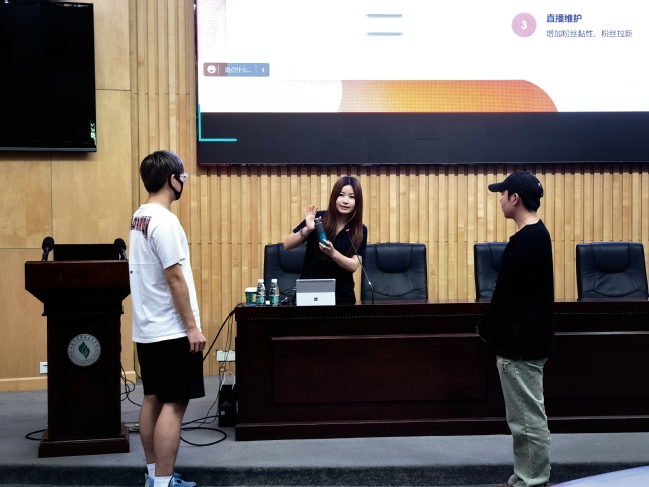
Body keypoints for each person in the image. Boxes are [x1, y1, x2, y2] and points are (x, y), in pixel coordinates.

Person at [129, 150, 206, 487]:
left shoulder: (139, 217)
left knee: (152, 398)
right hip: (171, 331)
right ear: (173, 180)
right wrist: (192, 327)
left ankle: (153, 476)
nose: (183, 182)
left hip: (147, 329)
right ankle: (163, 483)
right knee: (174, 404)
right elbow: (175, 278)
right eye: (183, 177)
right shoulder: (165, 221)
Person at [476, 171, 555, 487]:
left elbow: (507, 298)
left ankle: (533, 480)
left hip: (521, 345)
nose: (500, 200)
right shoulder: (536, 235)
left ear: (515, 198)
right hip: (527, 340)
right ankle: (525, 475)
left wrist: (485, 329)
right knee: (522, 417)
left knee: (526, 419)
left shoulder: (527, 242)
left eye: (503, 194)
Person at [284, 176, 367, 304]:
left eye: (352, 197)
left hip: (341, 296)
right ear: (334, 197)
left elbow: (354, 265)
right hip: (309, 292)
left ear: (358, 201)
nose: (345, 201)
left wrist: (333, 253)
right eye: (341, 195)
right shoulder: (318, 218)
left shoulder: (359, 229)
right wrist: (307, 229)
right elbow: (287, 245)